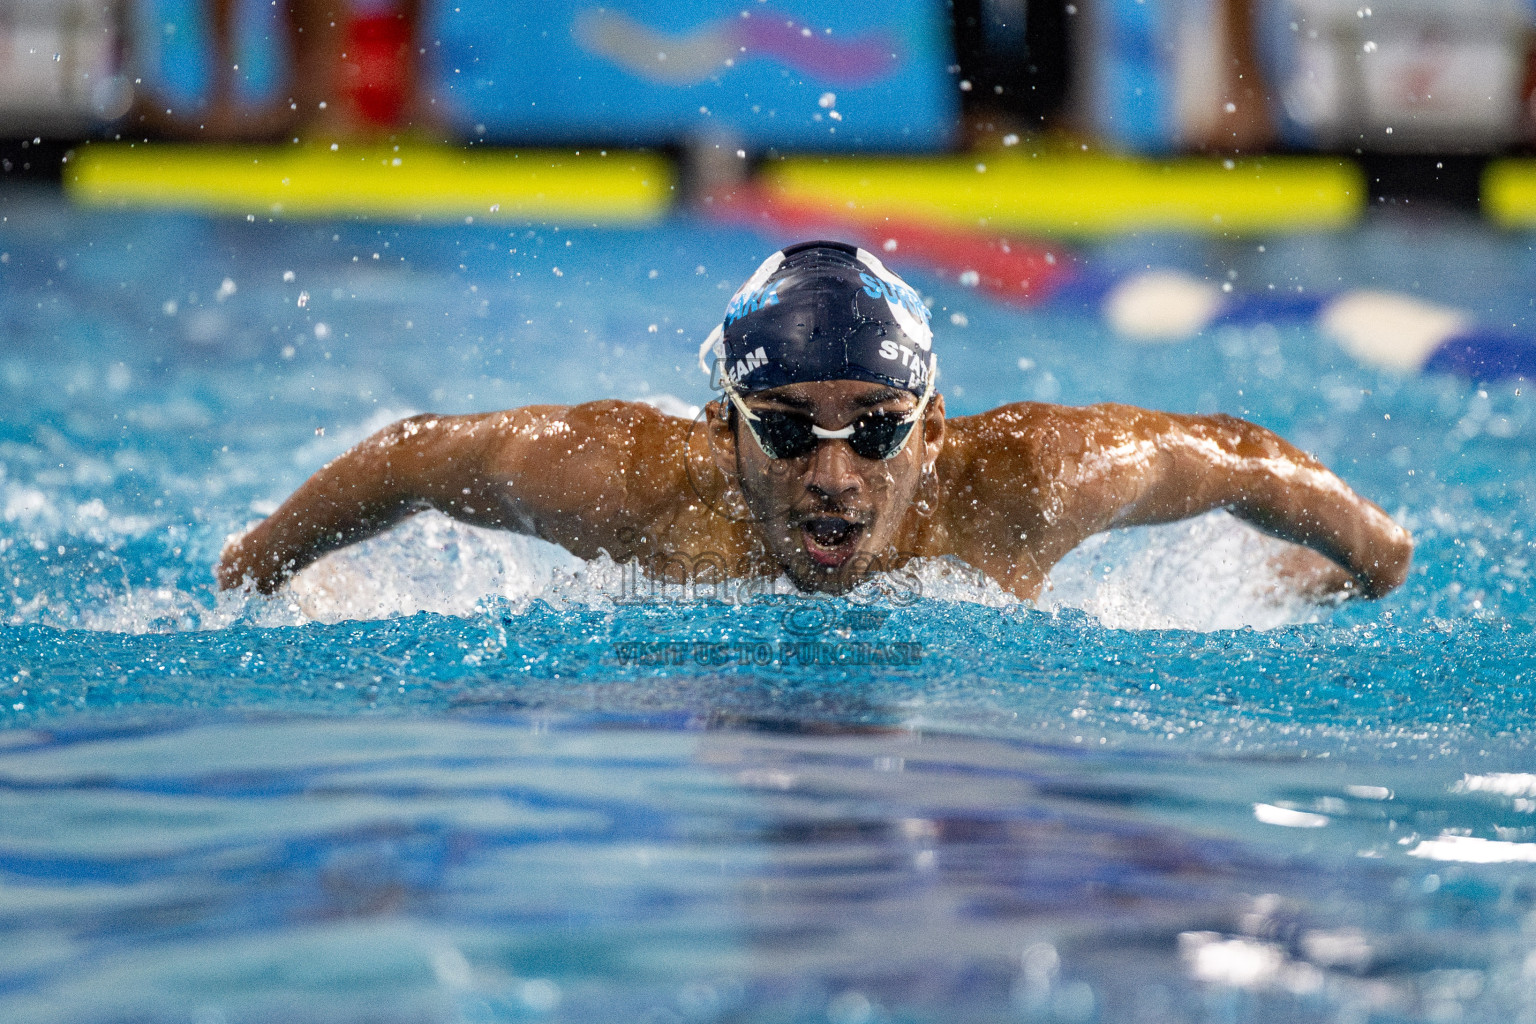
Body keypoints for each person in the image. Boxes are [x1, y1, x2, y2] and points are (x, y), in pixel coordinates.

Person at [217, 240, 1412, 602]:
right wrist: (260, 563)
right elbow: (426, 456)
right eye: (786, 430)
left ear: (934, 429)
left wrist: (1371, 552)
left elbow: (1241, 455)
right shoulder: (639, 485)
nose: (833, 474)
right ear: (721, 429)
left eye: (877, 429)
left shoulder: (1029, 480)